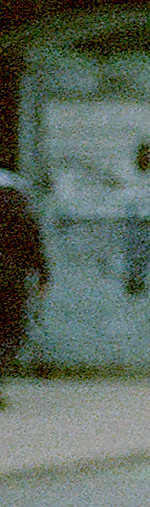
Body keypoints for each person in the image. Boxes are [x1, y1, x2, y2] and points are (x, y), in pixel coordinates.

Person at [0, 169, 47, 410]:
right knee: (11, 330)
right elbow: (32, 236)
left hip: (10, 273)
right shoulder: (16, 198)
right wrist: (42, 273)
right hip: (10, 275)